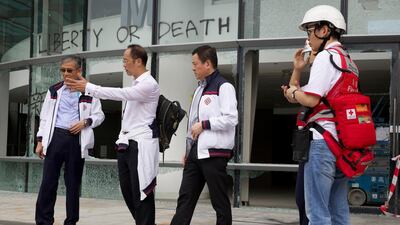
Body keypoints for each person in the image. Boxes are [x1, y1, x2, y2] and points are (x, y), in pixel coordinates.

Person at [65, 44, 160, 225]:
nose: (123, 64)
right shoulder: (137, 83)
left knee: (142, 193)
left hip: (141, 144)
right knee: (128, 191)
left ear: (138, 61)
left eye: (125, 60)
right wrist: (86, 86)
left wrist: (89, 87)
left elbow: (120, 94)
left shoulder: (149, 84)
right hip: (126, 143)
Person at [282, 5, 351, 225]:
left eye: (309, 31)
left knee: (318, 214)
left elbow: (309, 99)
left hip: (321, 145)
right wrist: (298, 70)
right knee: (339, 212)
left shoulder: (325, 58)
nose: (308, 37)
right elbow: (304, 98)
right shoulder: (346, 60)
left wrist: (294, 91)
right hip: (340, 143)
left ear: (324, 30)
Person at [170, 45, 238, 225]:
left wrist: (205, 125)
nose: (193, 68)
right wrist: (188, 150)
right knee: (185, 199)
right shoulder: (199, 89)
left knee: (220, 203)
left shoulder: (224, 87)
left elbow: (231, 119)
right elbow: (192, 122)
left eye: (195, 63)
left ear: (207, 64)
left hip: (214, 154)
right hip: (195, 153)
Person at [35, 56, 105, 225]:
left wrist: (85, 123)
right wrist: (40, 141)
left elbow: (99, 115)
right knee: (48, 183)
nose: (65, 74)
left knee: (73, 185)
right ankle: (43, 221)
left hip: (76, 141)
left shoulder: (89, 91)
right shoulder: (53, 90)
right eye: (63, 70)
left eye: (69, 70)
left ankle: (71, 221)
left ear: (78, 71)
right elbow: (44, 118)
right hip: (55, 139)